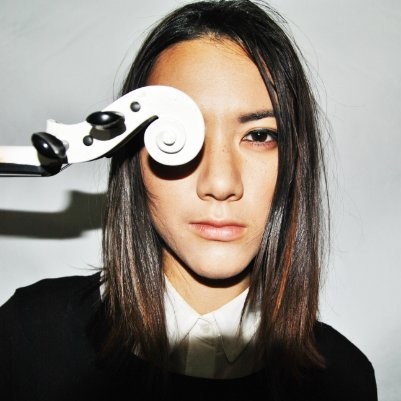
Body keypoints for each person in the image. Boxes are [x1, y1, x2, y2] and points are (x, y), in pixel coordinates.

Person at [0, 1, 378, 400]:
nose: (220, 183)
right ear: (133, 155)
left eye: (259, 136)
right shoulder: (28, 336)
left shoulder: (345, 379)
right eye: (179, 133)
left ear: (295, 160)